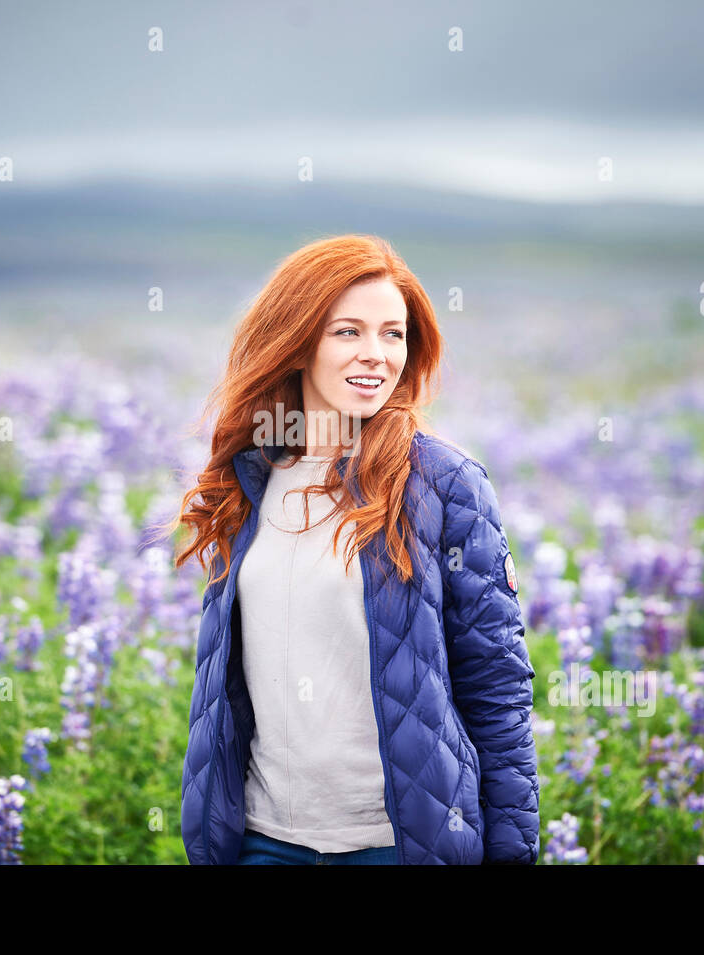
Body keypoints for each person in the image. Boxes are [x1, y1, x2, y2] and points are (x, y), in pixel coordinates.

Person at [169, 234, 539, 865]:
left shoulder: (445, 484)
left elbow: (495, 684)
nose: (376, 355)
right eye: (348, 332)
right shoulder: (247, 478)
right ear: (297, 340)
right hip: (262, 840)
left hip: (398, 842)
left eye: (393, 334)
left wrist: (512, 850)